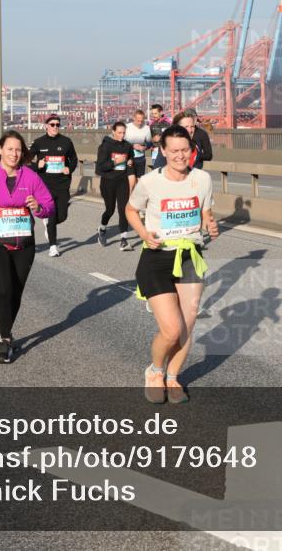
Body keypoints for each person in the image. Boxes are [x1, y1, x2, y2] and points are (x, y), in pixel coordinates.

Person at [127, 125, 218, 404]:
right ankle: (155, 371)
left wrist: (210, 225)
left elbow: (205, 212)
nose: (180, 156)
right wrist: (143, 234)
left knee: (187, 327)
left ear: (192, 150)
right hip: (156, 258)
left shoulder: (202, 179)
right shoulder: (149, 182)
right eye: (174, 150)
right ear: (163, 151)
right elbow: (131, 209)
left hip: (190, 256)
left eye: (185, 150)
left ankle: (173, 376)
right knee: (171, 329)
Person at [0, 130, 54, 363]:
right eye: (10, 149)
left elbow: (49, 205)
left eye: (18, 149)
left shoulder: (31, 177)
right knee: (3, 289)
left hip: (24, 243)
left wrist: (38, 207)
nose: (14, 153)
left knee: (16, 291)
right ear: (0, 150)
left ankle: (6, 331)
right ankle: (5, 339)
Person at [29, 114, 78, 257]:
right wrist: (37, 165)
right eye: (52, 124)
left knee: (62, 216)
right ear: (46, 126)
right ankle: (53, 246)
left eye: (58, 124)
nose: (55, 127)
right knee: (52, 215)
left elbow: (74, 159)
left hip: (63, 184)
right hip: (45, 186)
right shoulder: (38, 142)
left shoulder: (66, 142)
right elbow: (26, 160)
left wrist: (70, 168)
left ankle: (48, 223)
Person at [95, 121, 137, 250]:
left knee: (123, 210)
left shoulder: (127, 146)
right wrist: (114, 162)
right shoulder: (105, 146)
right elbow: (99, 168)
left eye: (124, 133)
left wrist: (130, 161)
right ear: (113, 131)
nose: (122, 135)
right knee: (110, 210)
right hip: (108, 181)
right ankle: (102, 228)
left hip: (122, 181)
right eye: (119, 132)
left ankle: (123, 240)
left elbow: (131, 158)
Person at [124, 109, 152, 178]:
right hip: (128, 158)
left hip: (141, 158)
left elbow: (150, 143)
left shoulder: (146, 128)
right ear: (133, 118)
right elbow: (120, 142)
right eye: (138, 120)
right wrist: (133, 146)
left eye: (142, 121)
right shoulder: (126, 127)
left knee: (139, 180)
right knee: (129, 180)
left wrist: (145, 147)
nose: (140, 123)